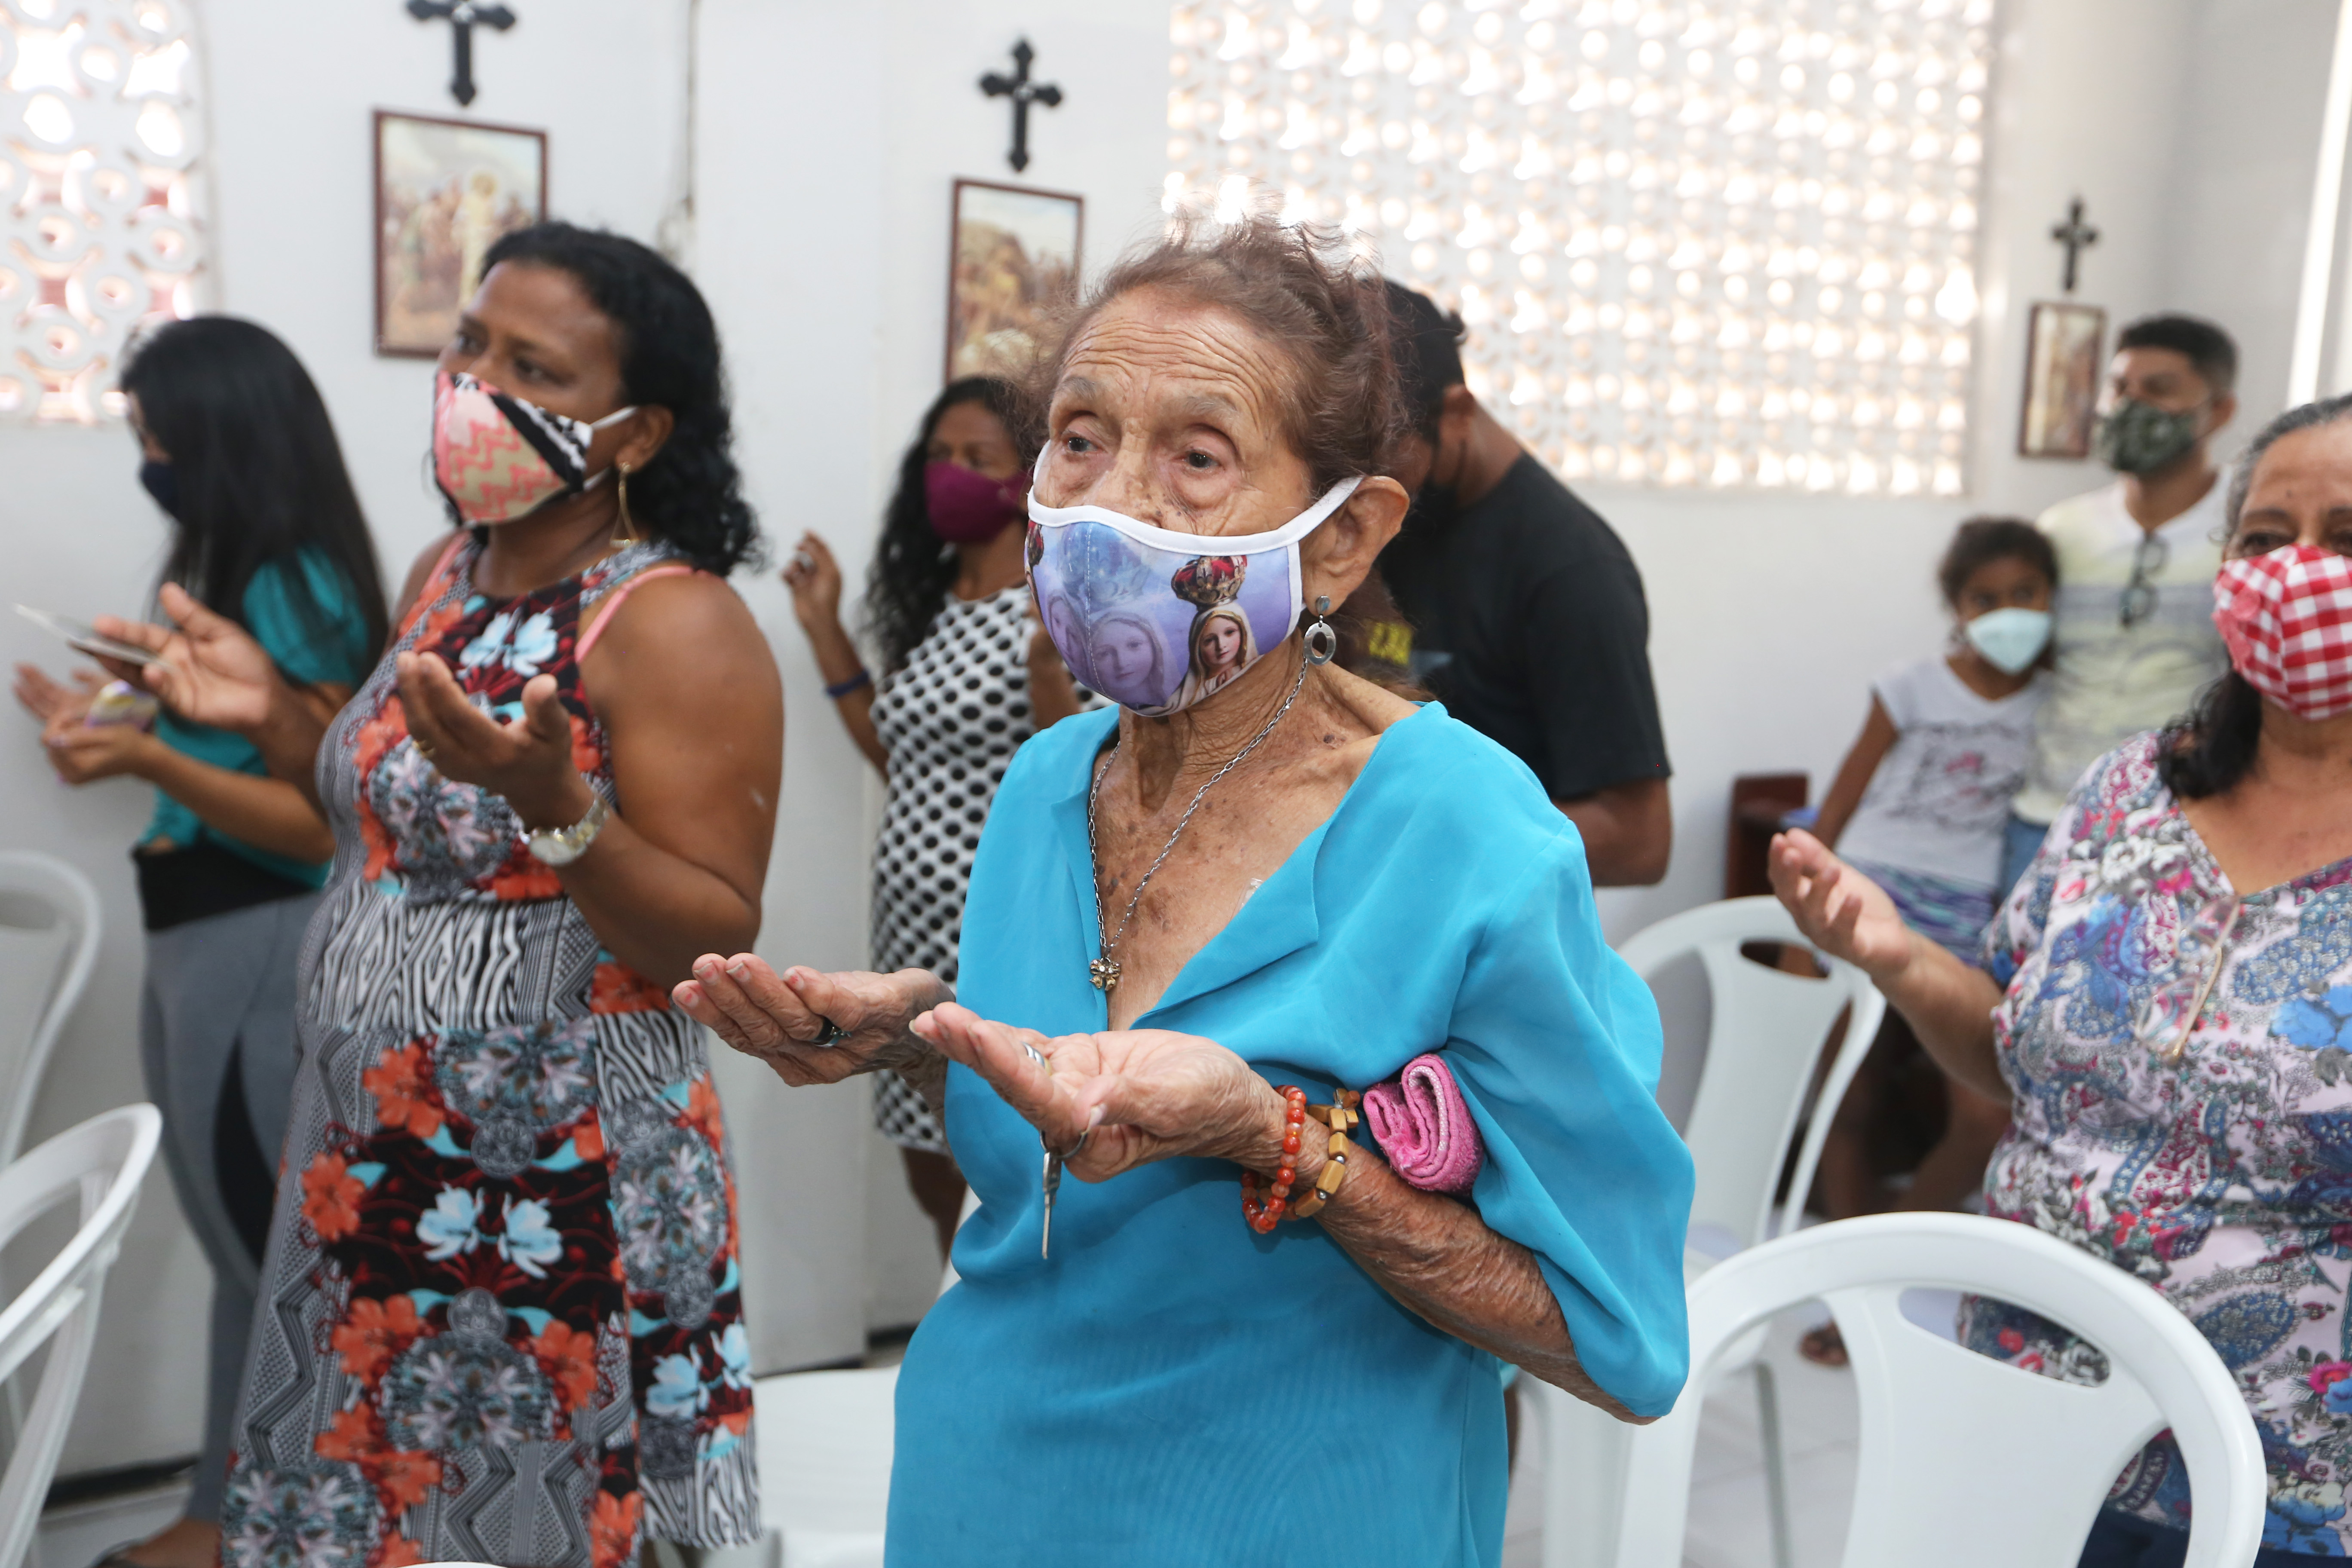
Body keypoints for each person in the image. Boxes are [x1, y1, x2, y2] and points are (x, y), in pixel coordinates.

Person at [672, 212, 1691, 1566]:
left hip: (1293, 1519)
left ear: (1343, 538)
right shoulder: (1050, 780)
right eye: (1081, 439)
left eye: (1197, 458)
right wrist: (923, 1029)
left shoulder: (1465, 829)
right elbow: (1075, 1101)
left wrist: (1276, 1140)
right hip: (989, 1489)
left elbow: (1615, 1343)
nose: (1113, 505)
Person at [98, 223, 779, 1568]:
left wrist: (560, 808)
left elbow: (712, 928)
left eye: (538, 368)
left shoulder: (671, 620)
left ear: (638, 435)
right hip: (376, 1147)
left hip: (554, 1172)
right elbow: (395, 830)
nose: (478, 384)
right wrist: (273, 714)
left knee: (539, 1522)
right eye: (474, 342)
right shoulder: (443, 574)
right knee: (378, 1516)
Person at [1770, 392, 2352, 1562]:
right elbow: (2011, 1053)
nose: (2301, 570)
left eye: (2346, 537)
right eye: (2265, 536)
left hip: (2283, 1484)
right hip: (2018, 1419)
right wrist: (1899, 956)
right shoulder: (2129, 792)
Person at [11, 317, 384, 1568]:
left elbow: (316, 819)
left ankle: (284, 1524)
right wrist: (112, 720)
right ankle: (230, 1516)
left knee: (275, 1255)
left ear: (222, 434)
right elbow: (204, 739)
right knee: (247, 1249)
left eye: (159, 435)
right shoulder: (233, 571)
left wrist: (145, 757)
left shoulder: (297, 584)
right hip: (200, 938)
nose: (149, 460)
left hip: (259, 937)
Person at [781, 375, 1085, 1257]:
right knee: (924, 1158)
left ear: (1028, 478)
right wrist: (824, 630)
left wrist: (1046, 680)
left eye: (976, 458)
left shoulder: (1052, 603)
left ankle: (1000, 1321)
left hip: (989, 922)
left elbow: (1084, 773)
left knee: (992, 1156)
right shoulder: (936, 601)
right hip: (907, 925)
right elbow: (897, 753)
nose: (950, 473)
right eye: (939, 456)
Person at [1794, 516, 2054, 1366]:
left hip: (1969, 911)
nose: (2008, 612)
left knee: (1983, 1118)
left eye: (2026, 593)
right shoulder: (1909, 687)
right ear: (1957, 608)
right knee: (1848, 1100)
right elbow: (1840, 800)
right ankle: (1848, 1303)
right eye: (1986, 598)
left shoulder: (2057, 702)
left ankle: (1883, 1274)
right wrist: (1801, 923)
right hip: (1871, 889)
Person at [1370, 282, 1672, 887]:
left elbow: (1638, 840)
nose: (1369, 499)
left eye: (1388, 464)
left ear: (1457, 413)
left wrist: (1428, 833)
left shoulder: (1572, 571)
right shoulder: (1387, 523)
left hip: (1490, 920)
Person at [2003, 313, 2239, 894]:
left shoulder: (2248, 529)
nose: (2130, 406)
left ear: (2218, 411)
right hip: (2048, 815)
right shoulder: (2062, 531)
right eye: (2119, 388)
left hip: (2182, 822)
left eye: (2158, 389)